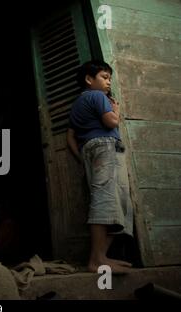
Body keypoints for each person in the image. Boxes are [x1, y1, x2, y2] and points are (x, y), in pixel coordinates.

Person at [67, 60, 133, 274]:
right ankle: (97, 260)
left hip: (90, 148)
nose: (108, 82)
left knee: (116, 200)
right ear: (89, 79)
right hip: (105, 146)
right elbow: (111, 123)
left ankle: (101, 256)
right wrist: (116, 109)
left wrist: (82, 156)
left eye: (109, 78)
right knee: (107, 198)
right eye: (104, 77)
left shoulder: (77, 104)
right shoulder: (98, 97)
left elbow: (70, 137)